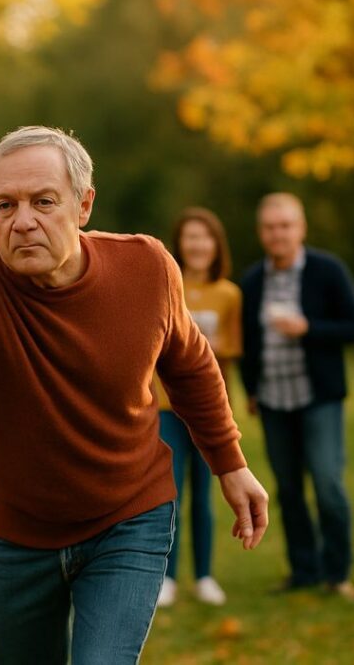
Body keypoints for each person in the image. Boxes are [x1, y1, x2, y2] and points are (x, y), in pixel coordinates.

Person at [0, 126, 268, 664]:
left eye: (43, 201)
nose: (23, 221)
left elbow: (190, 365)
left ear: (83, 204)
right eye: (6, 205)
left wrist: (230, 464)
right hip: (15, 538)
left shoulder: (147, 268)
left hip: (128, 520)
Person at [240, 192, 354, 599]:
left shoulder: (327, 270)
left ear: (301, 228)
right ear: (262, 233)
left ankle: (338, 574)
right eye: (271, 227)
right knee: (288, 489)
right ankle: (304, 571)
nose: (278, 234)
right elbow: (248, 342)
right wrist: (253, 390)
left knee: (328, 485)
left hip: (319, 398)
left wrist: (308, 328)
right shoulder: (253, 281)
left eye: (286, 225)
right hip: (274, 401)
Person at [154, 208, 241, 608]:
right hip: (166, 408)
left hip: (207, 410)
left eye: (204, 237)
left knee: (206, 495)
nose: (197, 245)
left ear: (215, 244)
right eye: (190, 237)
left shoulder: (229, 294)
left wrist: (211, 344)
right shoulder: (163, 285)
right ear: (179, 243)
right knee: (168, 493)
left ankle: (205, 576)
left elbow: (232, 352)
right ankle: (167, 578)